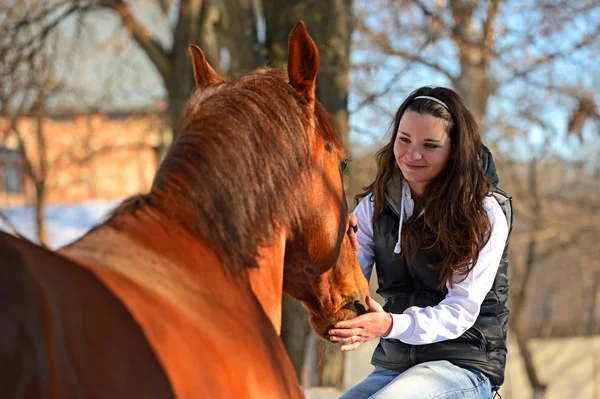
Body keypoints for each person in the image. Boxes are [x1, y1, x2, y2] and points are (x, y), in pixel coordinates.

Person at [331, 86, 512, 399]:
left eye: (430, 145)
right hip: (397, 364)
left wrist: (389, 325)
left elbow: (460, 311)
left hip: (463, 364)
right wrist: (336, 250)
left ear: (454, 151)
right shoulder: (377, 205)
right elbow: (346, 283)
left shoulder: (482, 211)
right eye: (404, 140)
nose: (412, 155)